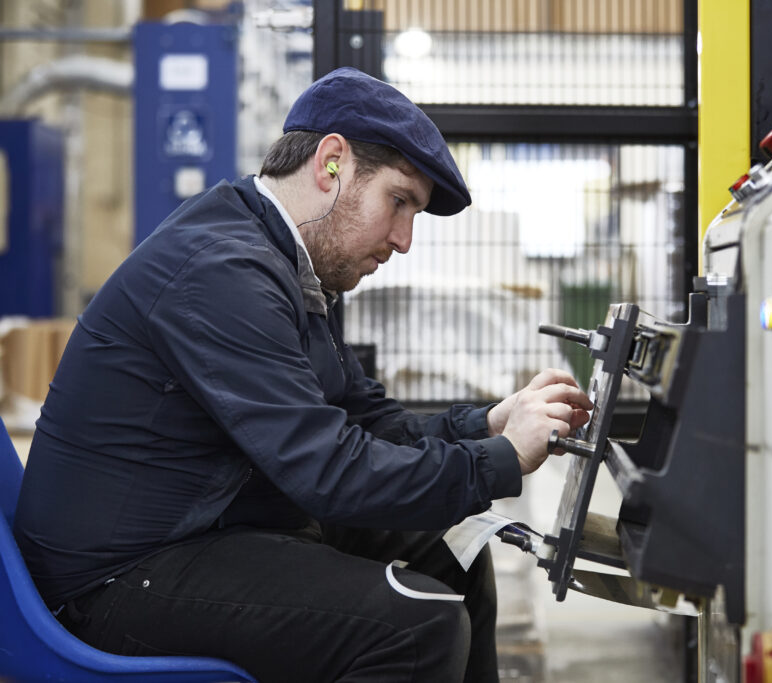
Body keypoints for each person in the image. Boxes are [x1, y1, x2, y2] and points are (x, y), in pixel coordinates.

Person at [13, 67, 592, 682]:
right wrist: (499, 459)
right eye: (399, 203)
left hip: (209, 527)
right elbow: (326, 469)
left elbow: (363, 419)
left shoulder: (287, 266)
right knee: (418, 626)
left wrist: (485, 424)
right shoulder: (220, 270)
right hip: (118, 578)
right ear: (332, 163)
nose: (403, 241)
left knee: (456, 549)